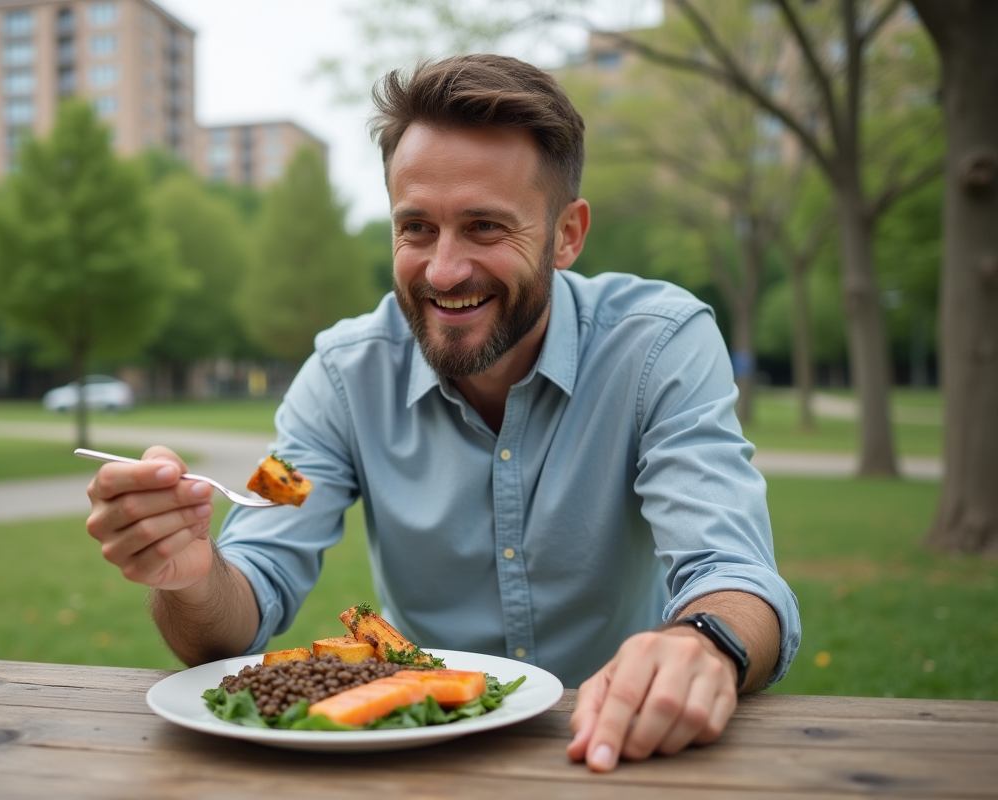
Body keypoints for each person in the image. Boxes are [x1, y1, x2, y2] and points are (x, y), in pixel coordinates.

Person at [84, 54, 800, 772]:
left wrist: (702, 642)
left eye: (485, 227)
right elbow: (254, 573)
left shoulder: (660, 348)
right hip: (416, 764)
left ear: (566, 235)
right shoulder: (341, 379)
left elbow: (732, 570)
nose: (444, 270)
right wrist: (190, 576)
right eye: (417, 227)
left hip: (619, 749)